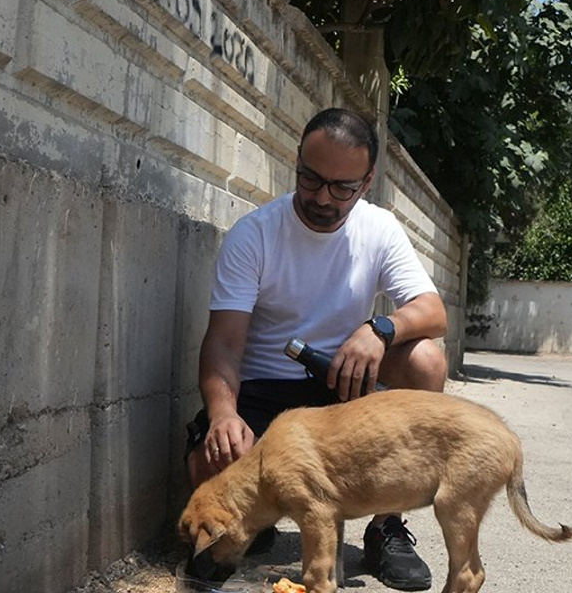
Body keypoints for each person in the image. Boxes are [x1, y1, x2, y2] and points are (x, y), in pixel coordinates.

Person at [185, 107, 449, 591]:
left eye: (342, 187)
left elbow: (433, 311)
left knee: (427, 358)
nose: (322, 198)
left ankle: (386, 525)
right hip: (266, 389)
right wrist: (223, 414)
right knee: (206, 460)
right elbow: (222, 341)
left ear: (367, 182)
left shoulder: (379, 229)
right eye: (311, 178)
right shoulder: (255, 233)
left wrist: (380, 329)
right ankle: (249, 524)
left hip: (343, 393)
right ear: (298, 164)